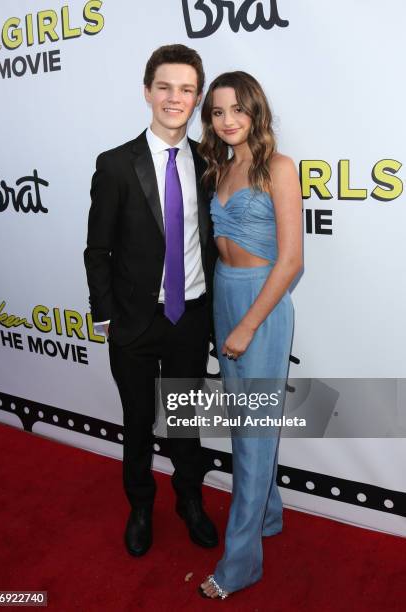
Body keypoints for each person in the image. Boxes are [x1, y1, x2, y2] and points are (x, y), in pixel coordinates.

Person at [84, 44, 219, 557]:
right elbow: (98, 250)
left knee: (186, 422)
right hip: (135, 323)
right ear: (147, 91)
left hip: (191, 319)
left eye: (186, 89)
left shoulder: (210, 163)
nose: (174, 98)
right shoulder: (116, 165)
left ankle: (190, 500)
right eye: (165, 87)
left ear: (197, 97)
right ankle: (141, 505)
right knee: (138, 420)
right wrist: (107, 317)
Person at [197, 71, 303, 598]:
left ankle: (241, 564)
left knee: (254, 431)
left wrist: (247, 323)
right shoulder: (221, 167)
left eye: (237, 109)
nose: (228, 120)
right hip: (225, 293)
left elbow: (290, 263)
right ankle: (268, 517)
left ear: (255, 111)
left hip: (261, 303)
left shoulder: (277, 168)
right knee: (247, 425)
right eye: (217, 112)